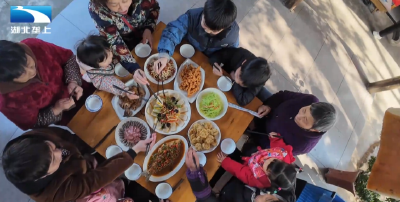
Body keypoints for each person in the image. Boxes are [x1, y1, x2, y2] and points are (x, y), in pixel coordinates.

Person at [1, 127, 157, 202]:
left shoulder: (32, 139)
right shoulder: (55, 193)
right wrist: (132, 153)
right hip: (91, 186)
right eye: (55, 161)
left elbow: (67, 138)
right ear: (45, 175)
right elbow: (95, 180)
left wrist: (94, 146)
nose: (60, 152)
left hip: (86, 163)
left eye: (51, 147)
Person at [0, 38, 96, 130]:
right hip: (70, 117)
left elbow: (69, 58)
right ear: (9, 80)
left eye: (30, 64)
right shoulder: (7, 101)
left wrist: (73, 81)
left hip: (86, 88)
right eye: (23, 74)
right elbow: (33, 123)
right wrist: (57, 109)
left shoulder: (34, 45)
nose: (32, 71)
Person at [153, 0, 239, 74]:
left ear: (224, 28)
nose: (207, 31)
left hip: (208, 62)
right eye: (205, 24)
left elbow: (231, 54)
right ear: (204, 12)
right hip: (186, 51)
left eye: (213, 31)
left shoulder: (232, 36)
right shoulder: (191, 17)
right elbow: (172, 31)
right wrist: (164, 54)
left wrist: (219, 63)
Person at [89, 0, 160, 85]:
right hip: (124, 44)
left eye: (125, 0)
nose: (123, 8)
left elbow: (154, 7)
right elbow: (113, 40)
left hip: (146, 33)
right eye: (114, 4)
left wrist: (149, 27)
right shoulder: (97, 8)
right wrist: (133, 68)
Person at [185, 148, 295, 202]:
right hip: (241, 168)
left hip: (225, 194)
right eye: (267, 199)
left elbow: (207, 199)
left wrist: (195, 172)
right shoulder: (286, 183)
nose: (259, 198)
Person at [252, 90, 337, 156]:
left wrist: (255, 132)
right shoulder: (310, 99)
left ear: (314, 130)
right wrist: (268, 105)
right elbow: (283, 95)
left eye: (305, 120)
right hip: (268, 109)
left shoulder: (303, 145)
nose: (299, 116)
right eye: (304, 110)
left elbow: (276, 152)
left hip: (261, 134)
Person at [216, 133, 296, 190]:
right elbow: (280, 146)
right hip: (257, 154)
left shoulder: (258, 180)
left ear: (268, 177)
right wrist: (275, 139)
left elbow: (241, 171)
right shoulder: (284, 156)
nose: (267, 160)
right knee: (247, 148)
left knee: (236, 159)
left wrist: (225, 162)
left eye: (267, 166)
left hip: (248, 165)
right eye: (273, 160)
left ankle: (235, 155)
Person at [76, 35, 140, 99]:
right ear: (95, 65)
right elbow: (109, 84)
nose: (111, 57)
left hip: (116, 71)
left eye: (110, 52)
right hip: (113, 80)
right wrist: (124, 91)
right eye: (106, 59)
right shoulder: (95, 74)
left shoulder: (103, 48)